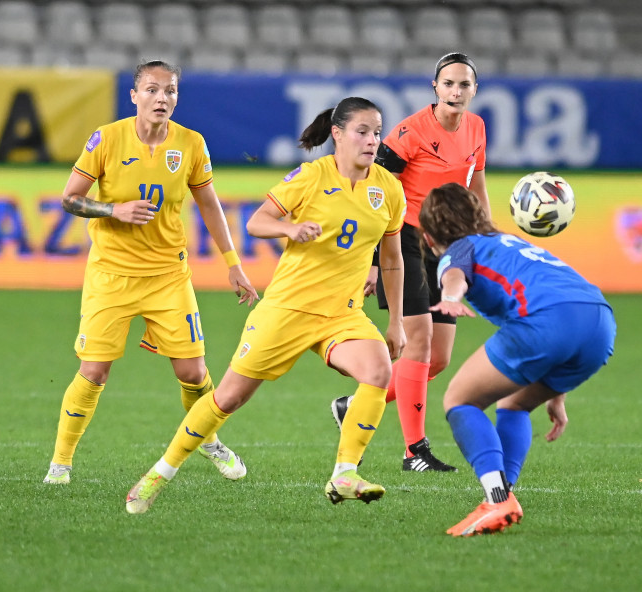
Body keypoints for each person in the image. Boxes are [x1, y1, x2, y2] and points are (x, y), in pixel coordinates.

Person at [124, 97, 407, 514]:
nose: (372, 140)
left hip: (342, 314)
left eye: (377, 132)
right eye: (362, 131)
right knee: (228, 399)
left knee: (379, 369)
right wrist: (291, 227)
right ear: (338, 134)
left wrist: (396, 322)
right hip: (287, 309)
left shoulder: (389, 188)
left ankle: (345, 473)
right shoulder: (311, 177)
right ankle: (157, 474)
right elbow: (257, 222)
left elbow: (393, 259)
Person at [42, 60, 258, 486]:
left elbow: (209, 205)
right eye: (153, 90)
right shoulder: (107, 139)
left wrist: (233, 264)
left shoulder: (192, 144)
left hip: (168, 276)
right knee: (94, 371)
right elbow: (69, 199)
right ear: (135, 95)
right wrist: (112, 210)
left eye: (171, 91)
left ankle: (209, 440)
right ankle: (60, 462)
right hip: (112, 274)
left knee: (193, 373)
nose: (162, 98)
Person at [418, 182, 616, 536]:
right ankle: (503, 491)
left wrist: (450, 296)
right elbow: (554, 294)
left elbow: (454, 274)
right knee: (514, 403)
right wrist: (555, 394)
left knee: (459, 400)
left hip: (549, 321)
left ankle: (497, 499)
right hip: (599, 322)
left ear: (430, 238)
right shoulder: (512, 242)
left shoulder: (460, 248)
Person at [332, 52, 489, 472]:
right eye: (449, 84)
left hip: (446, 245)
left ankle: (354, 405)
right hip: (403, 240)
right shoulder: (410, 133)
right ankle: (413, 451)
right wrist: (370, 259)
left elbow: (477, 182)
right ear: (434, 88)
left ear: (475, 90)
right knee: (417, 345)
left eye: (464, 85)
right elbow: (374, 188)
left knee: (437, 358)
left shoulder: (476, 127)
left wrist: (485, 232)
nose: (456, 91)